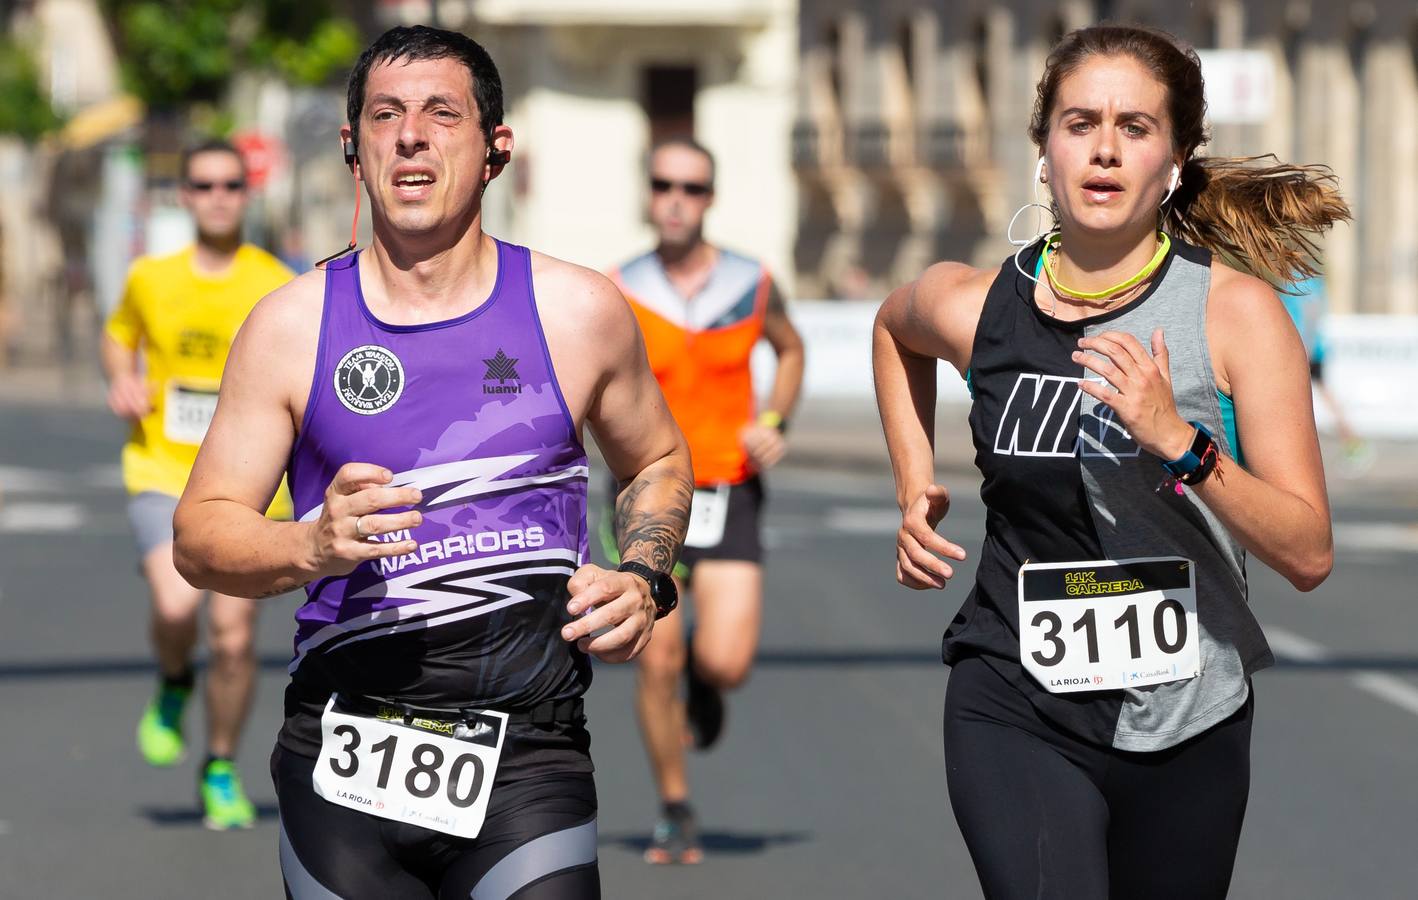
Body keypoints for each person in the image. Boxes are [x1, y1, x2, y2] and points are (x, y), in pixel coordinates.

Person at [172, 26, 693, 898]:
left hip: (527, 751)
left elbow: (661, 459)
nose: (410, 134)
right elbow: (199, 534)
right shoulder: (290, 327)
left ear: (495, 150)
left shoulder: (578, 311)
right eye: (385, 115)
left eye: (440, 113)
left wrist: (644, 575)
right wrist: (310, 545)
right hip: (345, 755)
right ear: (354, 149)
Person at [873, 25, 1346, 899]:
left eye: (1135, 127)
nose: (1103, 148)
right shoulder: (974, 302)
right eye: (1079, 121)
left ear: (1174, 161)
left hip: (1189, 711)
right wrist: (914, 483)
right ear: (1044, 150)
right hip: (1014, 692)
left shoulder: (1234, 316)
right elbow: (892, 328)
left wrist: (1183, 443)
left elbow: (1309, 553)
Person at [606, 137, 804, 864]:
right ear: (648, 194)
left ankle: (706, 682)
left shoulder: (750, 283)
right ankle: (674, 808)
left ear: (709, 198)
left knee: (726, 661)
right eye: (663, 185)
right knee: (653, 661)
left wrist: (775, 420)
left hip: (728, 487)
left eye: (691, 187)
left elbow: (791, 349)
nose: (676, 200)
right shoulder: (619, 288)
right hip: (645, 493)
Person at [101, 139, 294, 830]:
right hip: (162, 470)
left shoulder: (274, 280)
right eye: (204, 185)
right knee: (178, 610)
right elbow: (119, 333)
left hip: (251, 487)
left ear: (248, 194)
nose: (218, 197)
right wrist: (121, 376)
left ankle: (218, 765)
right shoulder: (151, 277)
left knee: (236, 640)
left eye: (231, 186)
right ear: (184, 196)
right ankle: (177, 679)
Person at [1281, 273, 1371, 471]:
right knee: (1321, 397)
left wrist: (1307, 348)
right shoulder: (1306, 279)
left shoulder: (1299, 279)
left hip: (1305, 349)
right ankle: (1353, 443)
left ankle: (1352, 444)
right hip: (1302, 348)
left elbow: (1311, 312)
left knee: (1295, 399)